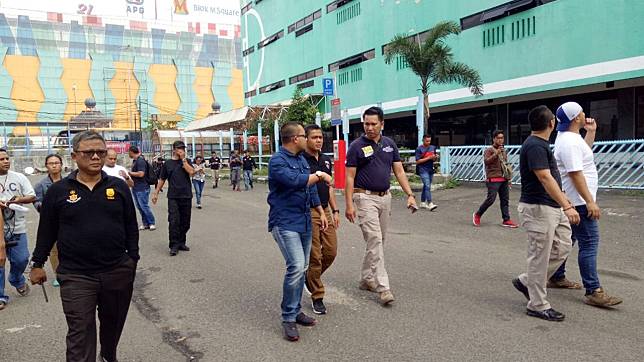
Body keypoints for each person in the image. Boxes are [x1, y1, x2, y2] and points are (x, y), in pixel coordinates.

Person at [29, 131, 139, 361]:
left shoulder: (118, 187)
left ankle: (108, 354)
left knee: (113, 323)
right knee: (80, 332)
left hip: (117, 271)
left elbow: (130, 226)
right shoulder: (57, 192)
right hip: (75, 275)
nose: (96, 157)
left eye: (100, 152)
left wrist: (132, 260)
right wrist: (37, 263)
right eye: (89, 152)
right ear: (74, 156)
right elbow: (47, 230)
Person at [550, 102, 622, 307]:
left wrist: (591, 133)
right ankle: (593, 290)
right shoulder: (569, 142)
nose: (584, 115)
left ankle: (557, 276)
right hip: (580, 202)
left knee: (569, 240)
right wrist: (590, 201)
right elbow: (575, 172)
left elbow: (582, 155)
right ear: (575, 118)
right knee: (589, 244)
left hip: (575, 201)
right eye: (581, 112)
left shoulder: (570, 139)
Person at [511, 105, 578, 322]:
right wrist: (567, 206)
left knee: (564, 246)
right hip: (539, 208)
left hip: (553, 206)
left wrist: (564, 202)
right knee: (540, 256)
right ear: (552, 123)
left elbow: (552, 179)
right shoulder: (535, 146)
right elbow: (545, 177)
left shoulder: (542, 145)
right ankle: (537, 304)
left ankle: (526, 280)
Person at [345, 106, 417, 306]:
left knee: (379, 240)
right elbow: (349, 177)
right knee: (375, 239)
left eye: (373, 124)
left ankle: (366, 279)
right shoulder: (356, 146)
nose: (369, 128)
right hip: (364, 198)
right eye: (366, 124)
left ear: (382, 124)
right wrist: (349, 204)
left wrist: (409, 195)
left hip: (385, 198)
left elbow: (399, 172)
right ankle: (383, 287)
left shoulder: (389, 144)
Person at [268, 122, 332, 342]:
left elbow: (310, 188)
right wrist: (321, 175)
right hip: (285, 222)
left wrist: (321, 211)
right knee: (296, 266)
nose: (308, 139)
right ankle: (288, 317)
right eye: (305, 136)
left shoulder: (302, 160)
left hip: (304, 221)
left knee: (303, 266)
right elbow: (294, 182)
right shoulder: (277, 161)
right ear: (295, 139)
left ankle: (295, 311)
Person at [302, 124, 340, 315]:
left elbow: (330, 186)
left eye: (320, 137)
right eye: (314, 137)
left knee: (331, 251)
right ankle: (317, 295)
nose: (318, 140)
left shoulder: (326, 160)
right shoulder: (301, 160)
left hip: (326, 209)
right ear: (306, 139)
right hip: (309, 211)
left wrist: (335, 210)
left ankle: (310, 277)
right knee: (315, 255)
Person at [0, 148, 37, 310]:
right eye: (1, 159)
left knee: (21, 259)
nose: (6, 161)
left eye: (7, 158)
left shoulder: (19, 177)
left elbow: (32, 196)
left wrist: (18, 199)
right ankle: (1, 296)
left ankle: (16, 279)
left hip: (17, 227)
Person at [152, 141, 195, 256]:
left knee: (186, 222)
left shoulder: (187, 161)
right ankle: (174, 245)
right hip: (173, 196)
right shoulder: (168, 164)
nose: (181, 150)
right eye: (179, 148)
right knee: (174, 221)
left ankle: (181, 242)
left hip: (186, 195)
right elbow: (162, 179)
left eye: (183, 148)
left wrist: (183, 160)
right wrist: (155, 193)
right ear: (174, 150)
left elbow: (191, 172)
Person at [473, 130, 518, 228]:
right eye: (498, 138)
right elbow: (486, 162)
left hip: (503, 179)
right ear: (494, 139)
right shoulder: (489, 150)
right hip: (493, 179)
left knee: (505, 200)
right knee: (490, 199)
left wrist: (509, 179)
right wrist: (496, 154)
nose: (500, 140)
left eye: (502, 138)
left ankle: (506, 219)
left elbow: (505, 165)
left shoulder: (503, 150)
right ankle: (478, 214)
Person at [33, 154, 65, 287]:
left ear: (61, 165)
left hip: (68, 221)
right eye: (51, 163)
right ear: (46, 166)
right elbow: (36, 201)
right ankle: (58, 274)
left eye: (57, 163)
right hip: (51, 222)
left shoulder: (70, 181)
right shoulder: (41, 185)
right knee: (54, 250)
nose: (54, 165)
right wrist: (45, 208)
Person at [128, 146, 156, 231]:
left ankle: (151, 222)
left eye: (129, 152)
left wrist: (129, 173)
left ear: (131, 152)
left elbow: (141, 174)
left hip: (142, 187)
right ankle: (145, 223)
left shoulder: (140, 161)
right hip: (136, 187)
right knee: (139, 207)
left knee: (144, 206)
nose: (128, 153)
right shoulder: (135, 161)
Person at [414, 135, 438, 211]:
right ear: (423, 140)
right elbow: (417, 161)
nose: (428, 142)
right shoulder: (419, 149)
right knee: (427, 186)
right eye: (427, 141)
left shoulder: (433, 147)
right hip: (422, 169)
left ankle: (422, 202)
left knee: (426, 186)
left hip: (430, 169)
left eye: (429, 141)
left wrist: (435, 157)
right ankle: (430, 203)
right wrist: (428, 158)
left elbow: (434, 159)